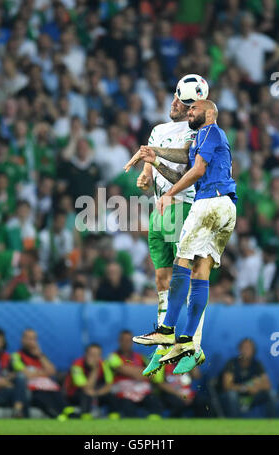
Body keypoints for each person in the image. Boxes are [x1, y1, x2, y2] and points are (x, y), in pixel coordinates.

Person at [132, 99, 237, 375]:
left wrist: (168, 193)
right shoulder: (204, 139)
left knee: (182, 265)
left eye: (194, 109)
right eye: (188, 109)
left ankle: (167, 332)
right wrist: (154, 156)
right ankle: (188, 342)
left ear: (210, 113)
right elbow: (185, 159)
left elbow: (197, 170)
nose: (189, 112)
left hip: (208, 203)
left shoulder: (209, 131)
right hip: (226, 207)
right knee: (200, 272)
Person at [124, 88, 206, 377]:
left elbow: (186, 166)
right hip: (159, 208)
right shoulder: (158, 130)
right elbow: (148, 167)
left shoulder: (196, 132)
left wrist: (154, 159)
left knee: (189, 275)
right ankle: (163, 341)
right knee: (161, 275)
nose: (173, 103)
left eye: (180, 102)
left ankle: (193, 343)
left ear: (191, 108)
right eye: (173, 97)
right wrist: (145, 176)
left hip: (184, 205)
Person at [11, 328, 77, 420]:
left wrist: (40, 355)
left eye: (33, 339)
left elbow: (52, 371)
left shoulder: (41, 356)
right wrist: (44, 373)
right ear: (22, 340)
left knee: (56, 393)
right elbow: (26, 374)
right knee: (42, 397)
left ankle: (70, 414)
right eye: (28, 338)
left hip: (48, 387)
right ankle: (57, 415)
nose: (31, 342)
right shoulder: (16, 356)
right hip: (32, 390)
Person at [107, 330, 163, 418]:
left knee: (153, 400)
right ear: (119, 341)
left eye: (129, 340)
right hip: (123, 393)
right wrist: (142, 372)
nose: (126, 343)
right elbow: (121, 369)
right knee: (127, 406)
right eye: (124, 340)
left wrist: (132, 371)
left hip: (142, 391)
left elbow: (153, 373)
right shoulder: (112, 356)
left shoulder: (141, 357)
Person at [219, 338, 278, 417]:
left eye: (248, 348)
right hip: (236, 396)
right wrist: (246, 388)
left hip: (251, 397)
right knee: (231, 395)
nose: (245, 351)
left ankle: (273, 424)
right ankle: (234, 424)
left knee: (272, 394)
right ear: (239, 349)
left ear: (253, 351)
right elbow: (227, 386)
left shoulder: (257, 364)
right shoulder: (232, 363)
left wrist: (257, 388)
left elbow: (267, 385)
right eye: (243, 348)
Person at [64, 343, 118, 419]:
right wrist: (94, 369)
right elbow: (85, 387)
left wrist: (97, 393)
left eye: (97, 355)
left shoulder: (104, 364)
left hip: (95, 392)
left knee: (111, 395)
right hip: (76, 395)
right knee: (85, 395)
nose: (94, 358)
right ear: (85, 354)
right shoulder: (77, 365)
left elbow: (109, 385)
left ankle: (113, 416)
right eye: (91, 354)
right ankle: (85, 416)